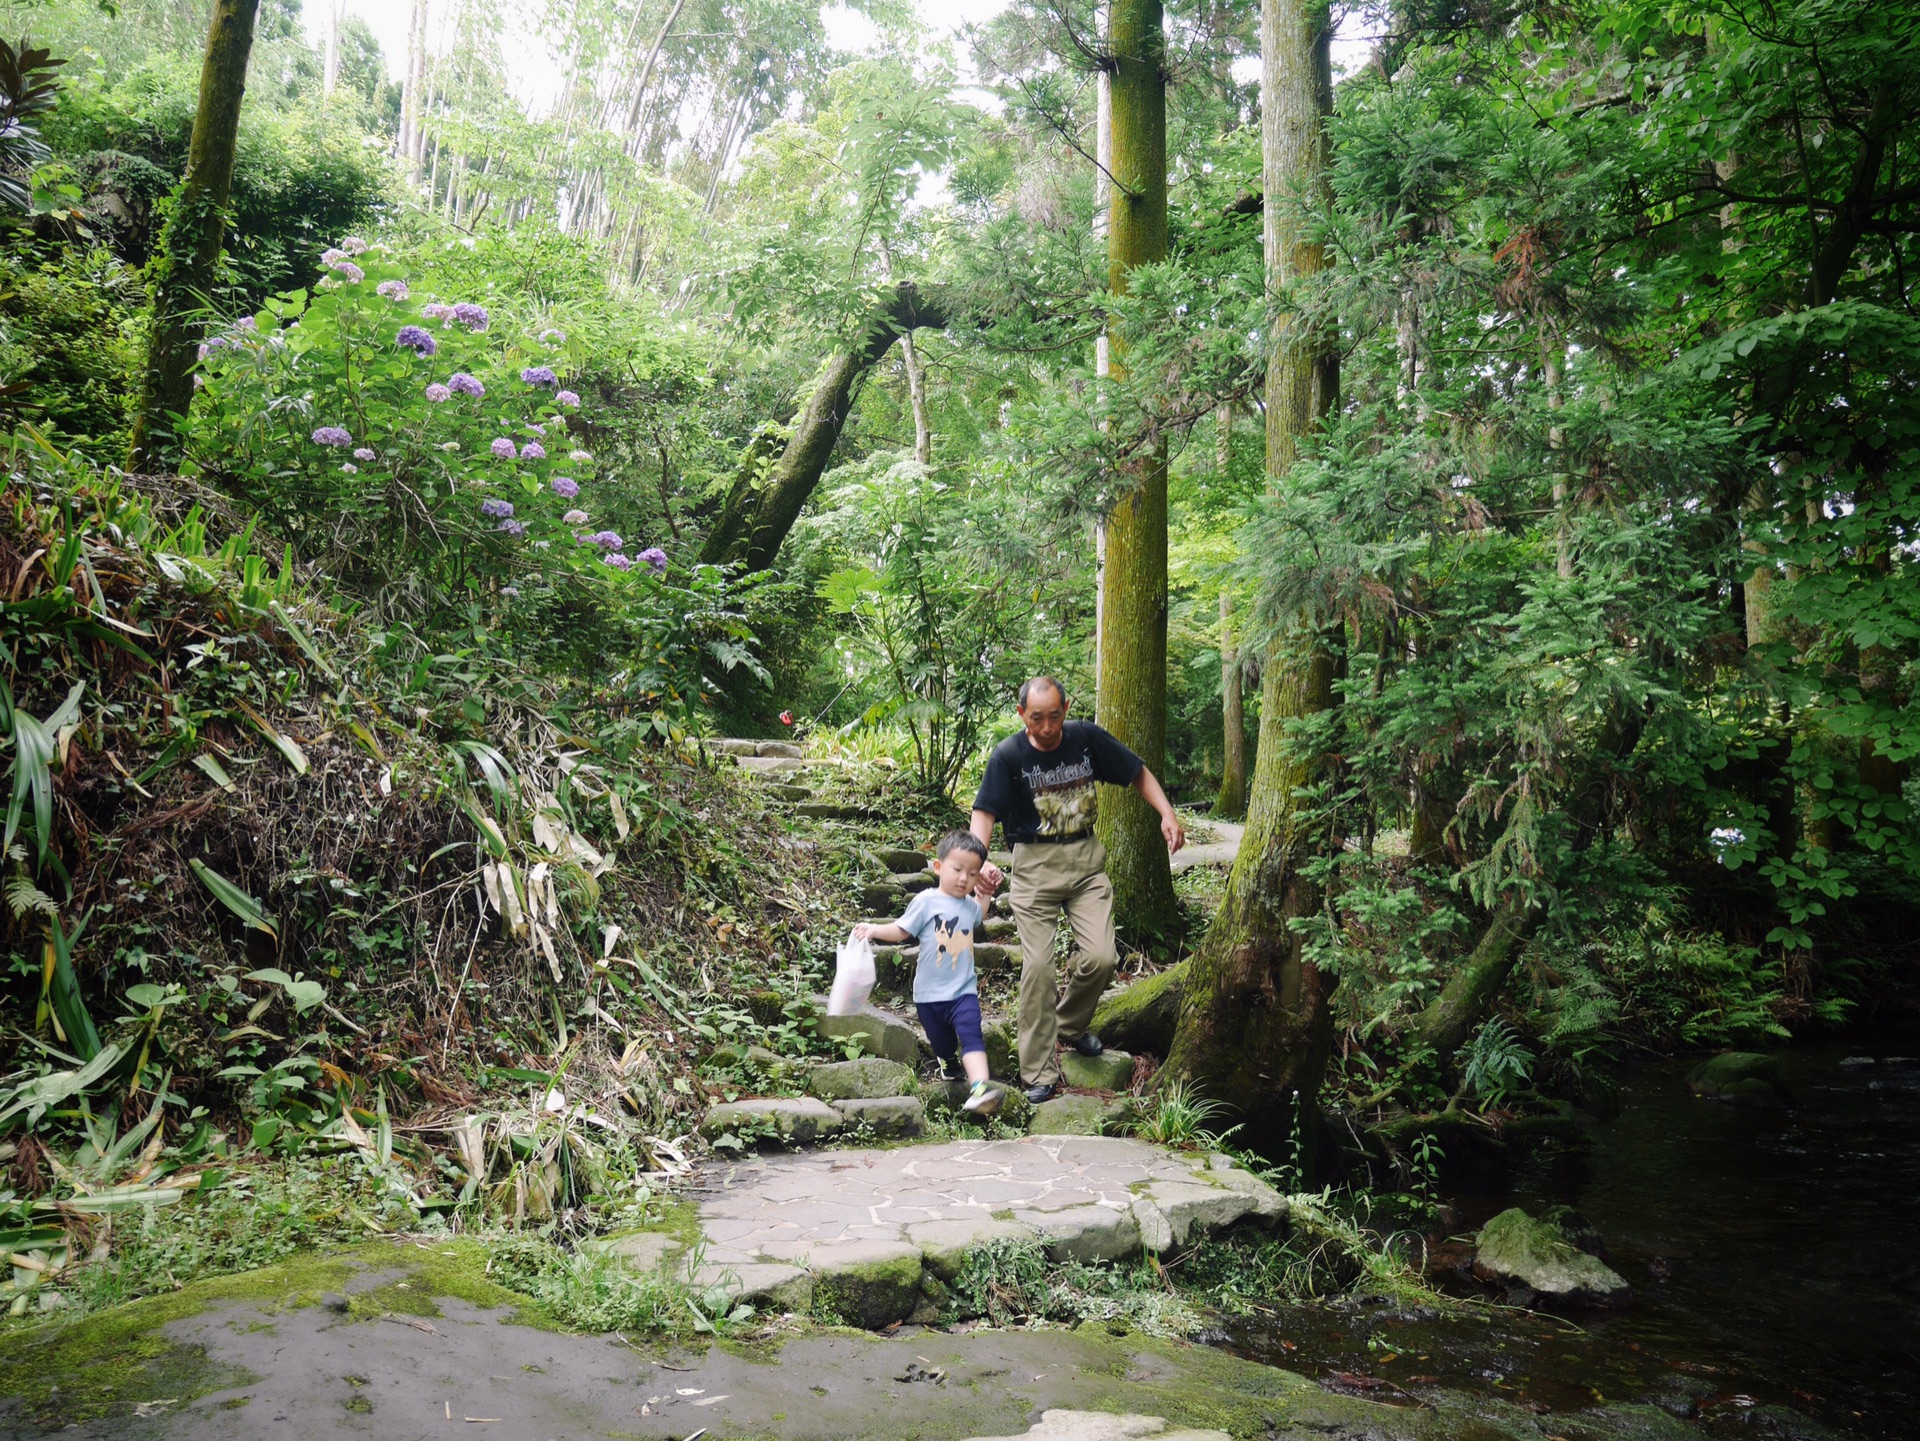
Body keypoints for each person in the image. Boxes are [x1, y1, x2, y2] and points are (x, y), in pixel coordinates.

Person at [970, 676, 1186, 1103]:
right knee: (1038, 970)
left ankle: (1068, 1024)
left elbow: (1136, 771)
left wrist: (1167, 813)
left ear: (1065, 710)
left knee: (1103, 958)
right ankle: (1038, 1073)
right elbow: (984, 814)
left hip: (1086, 863)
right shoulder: (1008, 755)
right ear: (1021, 716)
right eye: (1037, 719)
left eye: (1054, 716)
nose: (1047, 727)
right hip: (1034, 866)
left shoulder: (1085, 738)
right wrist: (979, 860)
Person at [852, 830, 1003, 1115]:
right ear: (938, 867)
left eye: (972, 874)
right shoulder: (926, 901)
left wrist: (984, 894)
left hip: (963, 991)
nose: (963, 879)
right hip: (929, 996)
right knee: (943, 1043)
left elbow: (978, 915)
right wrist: (874, 930)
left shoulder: (968, 905)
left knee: (971, 1035)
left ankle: (980, 1088)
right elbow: (901, 930)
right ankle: (948, 1062)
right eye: (957, 869)